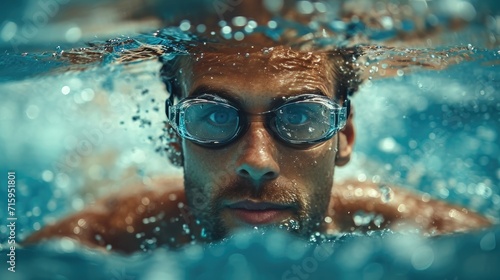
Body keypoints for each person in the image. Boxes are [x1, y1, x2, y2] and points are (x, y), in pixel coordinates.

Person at [24, 1, 491, 254]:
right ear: (174, 137)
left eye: (301, 116)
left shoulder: (434, 236)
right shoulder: (102, 238)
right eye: (213, 115)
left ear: (344, 137)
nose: (257, 163)